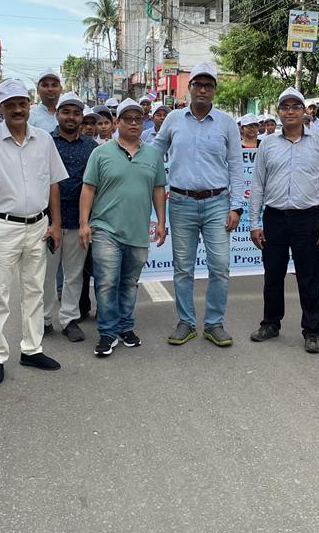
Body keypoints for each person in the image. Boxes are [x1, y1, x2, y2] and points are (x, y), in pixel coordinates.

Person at [0, 78, 67, 385]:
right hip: (1, 226)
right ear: (1, 108)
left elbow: (53, 183)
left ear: (29, 105)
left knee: (34, 291)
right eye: (10, 105)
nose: (17, 109)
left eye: (22, 104)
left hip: (37, 225)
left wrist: (55, 223)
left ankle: (32, 348)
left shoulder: (44, 139)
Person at [153, 62, 243, 348]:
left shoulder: (227, 123)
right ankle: (186, 322)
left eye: (208, 85)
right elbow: (155, 152)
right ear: (189, 88)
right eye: (198, 85)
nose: (203, 90)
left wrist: (236, 206)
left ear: (214, 90)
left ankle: (214, 323)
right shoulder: (173, 120)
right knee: (183, 267)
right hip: (181, 202)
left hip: (218, 203)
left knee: (220, 266)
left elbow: (237, 166)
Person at [248, 87, 319, 354]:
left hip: (308, 218)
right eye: (285, 107)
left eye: (295, 107)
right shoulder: (268, 145)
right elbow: (258, 185)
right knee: (273, 275)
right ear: (279, 112)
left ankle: (312, 331)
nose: (290, 111)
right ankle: (271, 323)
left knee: (308, 277)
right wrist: (255, 222)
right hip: (275, 218)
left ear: (304, 111)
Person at [80, 98, 167, 357]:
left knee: (129, 282)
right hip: (105, 228)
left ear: (143, 123)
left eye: (137, 119)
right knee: (107, 282)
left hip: (138, 231)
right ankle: (107, 332)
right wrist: (84, 223)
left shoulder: (152, 155)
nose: (132, 123)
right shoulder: (101, 153)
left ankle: (126, 327)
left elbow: (158, 189)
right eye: (127, 119)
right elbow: (88, 188)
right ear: (117, 122)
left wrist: (161, 222)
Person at [43, 92, 98, 343]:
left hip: (79, 220)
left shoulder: (91, 148)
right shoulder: (44, 142)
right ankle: (43, 320)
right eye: (66, 112)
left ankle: (69, 320)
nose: (71, 117)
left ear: (81, 117)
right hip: (47, 221)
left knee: (74, 274)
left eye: (76, 113)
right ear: (57, 114)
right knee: (45, 274)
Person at [30, 68, 62, 133]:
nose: (50, 89)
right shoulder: (30, 116)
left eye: (54, 85)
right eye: (45, 85)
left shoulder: (68, 115)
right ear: (38, 90)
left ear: (61, 89)